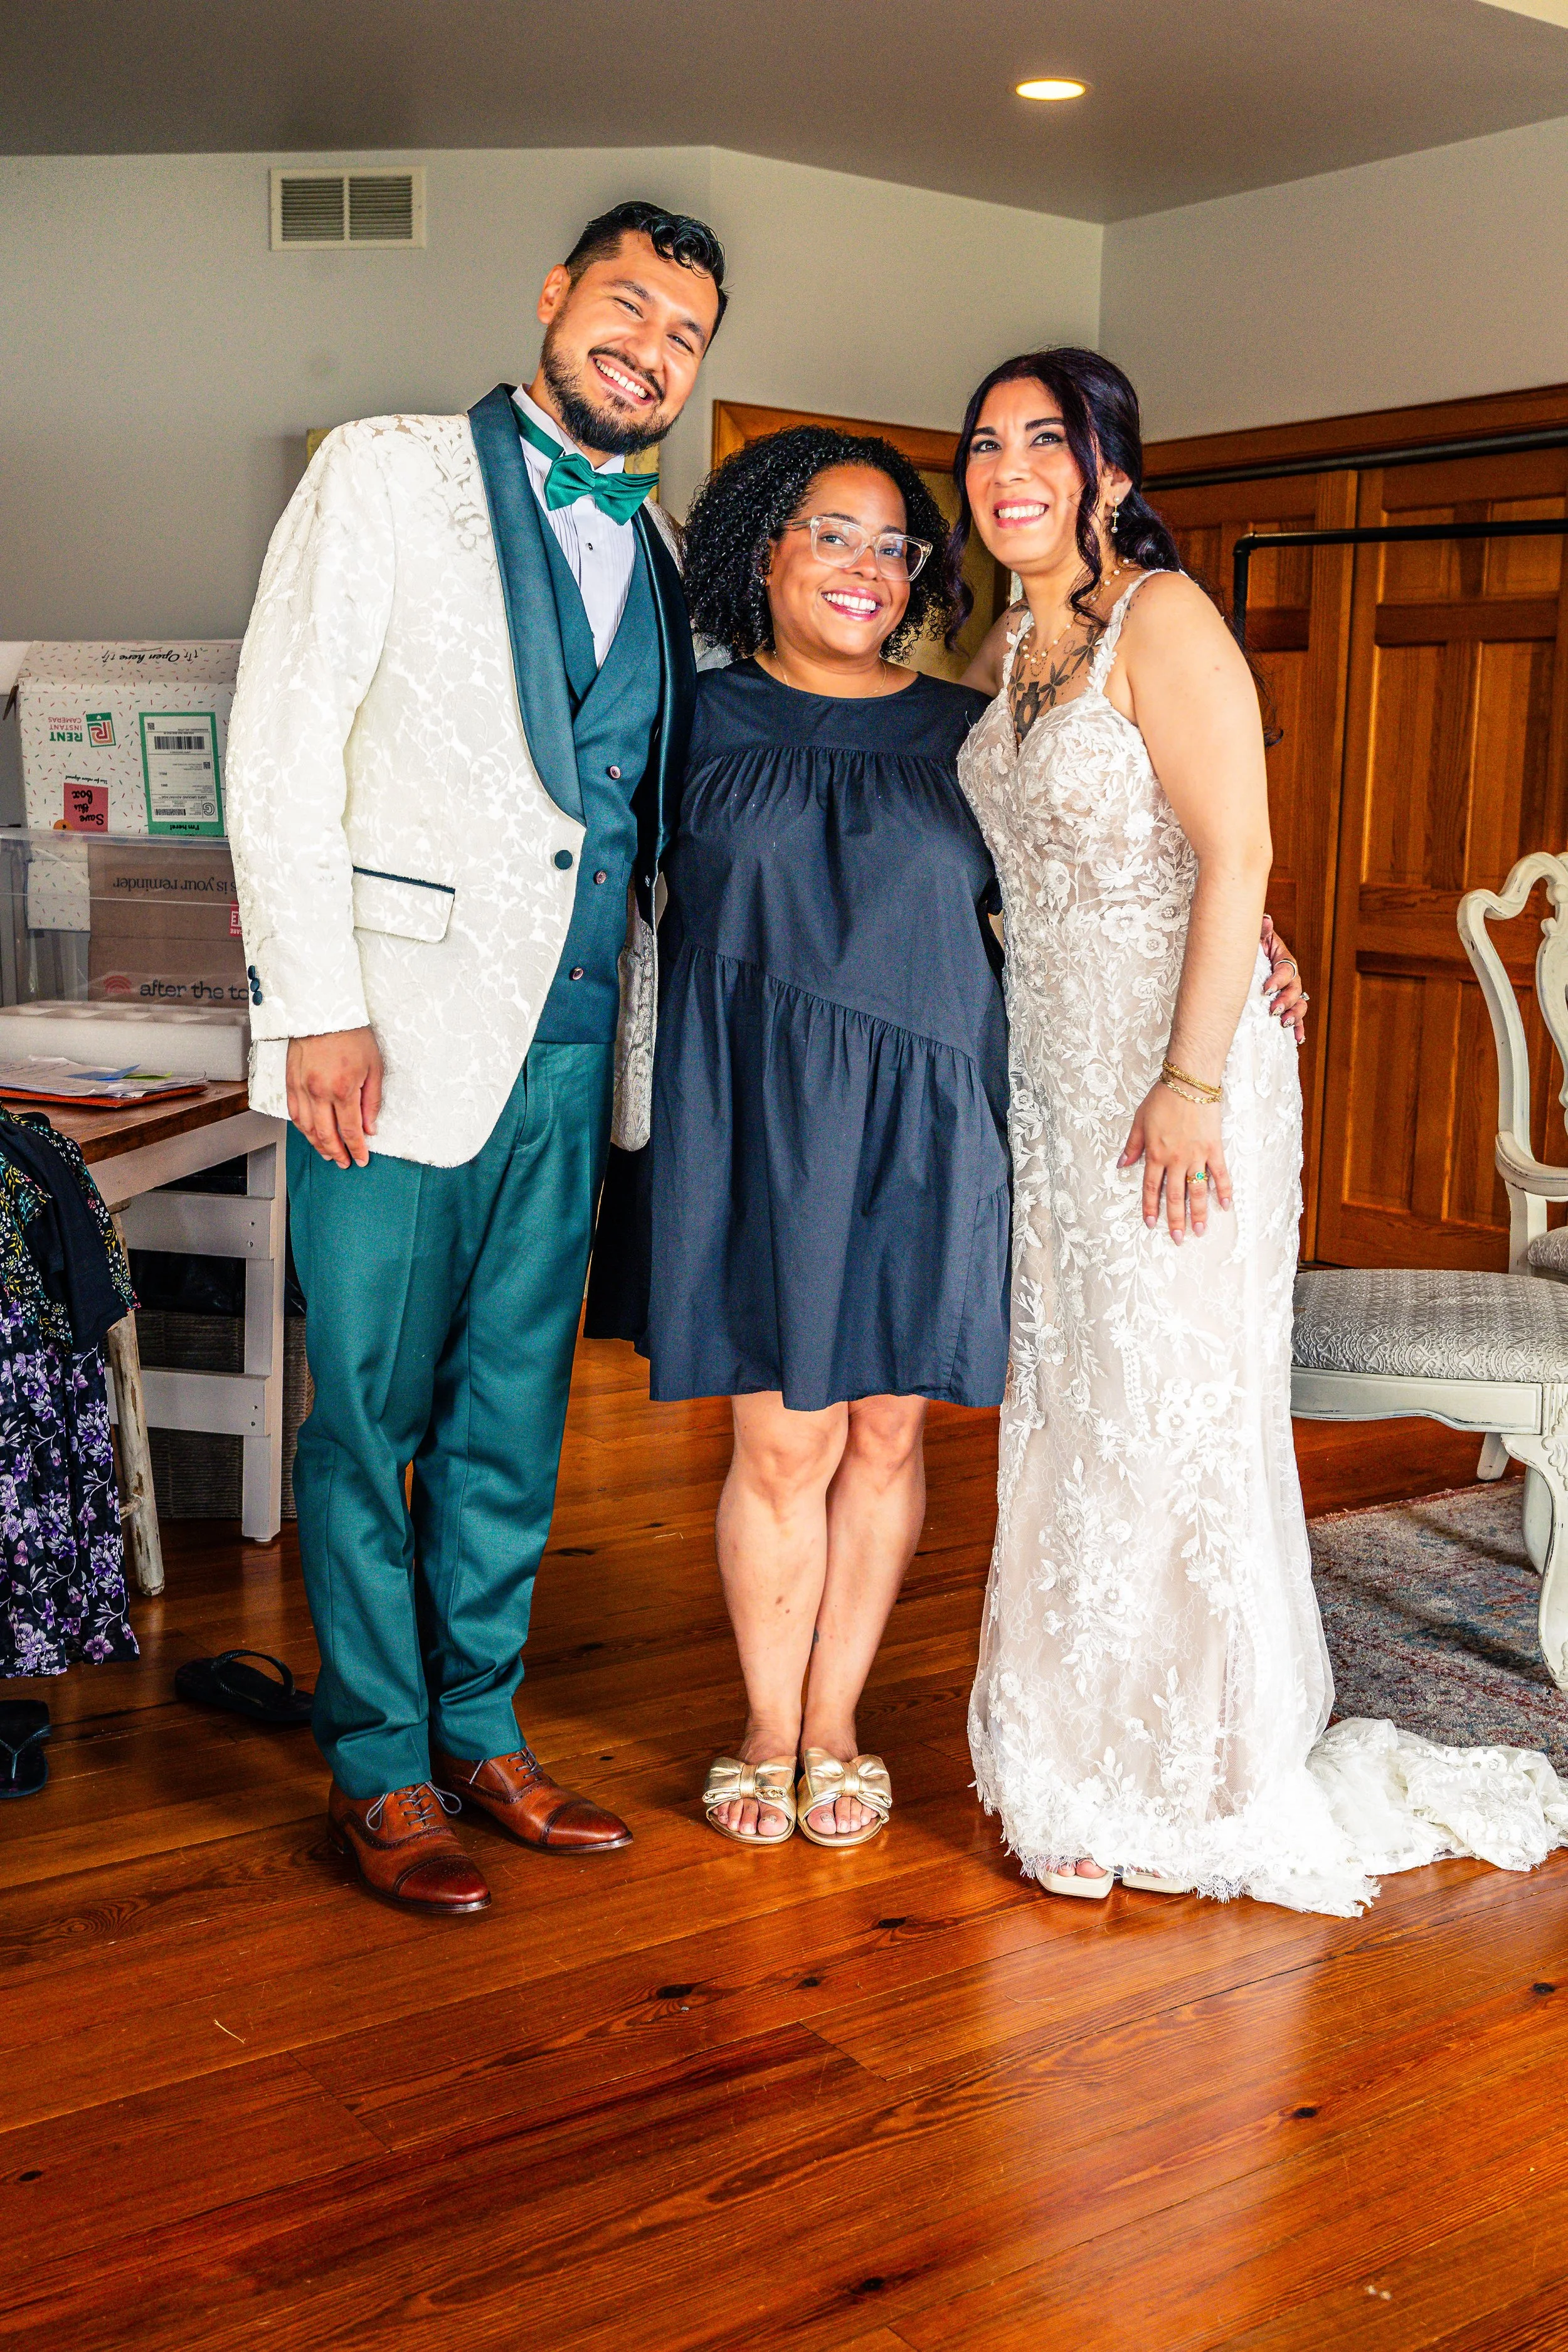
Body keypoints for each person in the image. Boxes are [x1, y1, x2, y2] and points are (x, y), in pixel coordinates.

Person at [586, 423, 1307, 1853]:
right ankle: (765, 1728)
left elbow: (1104, 839)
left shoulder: (960, 727)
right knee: (780, 1443)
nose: (864, 568)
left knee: (882, 1433)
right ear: (763, 550)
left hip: (931, 1115)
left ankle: (839, 1726)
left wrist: (1247, 929)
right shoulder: (688, 721)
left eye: (891, 543)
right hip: (755, 1118)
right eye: (830, 535)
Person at [954, 346, 1568, 1911]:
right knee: (1076, 1399)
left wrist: (1193, 1079)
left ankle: (1193, 1764)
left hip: (1180, 1077)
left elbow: (1237, 858)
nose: (1007, 465)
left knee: (1172, 1400)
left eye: (1046, 439)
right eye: (983, 442)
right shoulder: (999, 643)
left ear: (1107, 472)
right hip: (1048, 1071)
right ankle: (1072, 1742)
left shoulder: (1162, 617)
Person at [226, 201, 724, 1917]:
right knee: (366, 1413)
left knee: (513, 1415)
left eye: (682, 336)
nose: (647, 348)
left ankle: (481, 1727)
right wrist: (315, 1004)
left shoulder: (663, 558)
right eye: (626, 305)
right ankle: (376, 1762)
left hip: (582, 1046)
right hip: (393, 1033)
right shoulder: (384, 470)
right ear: (553, 299)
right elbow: (280, 739)